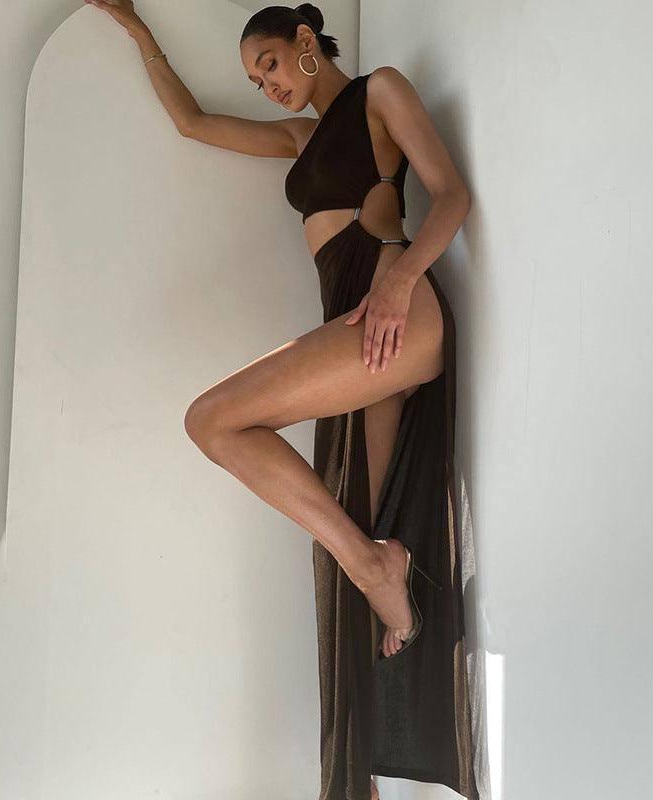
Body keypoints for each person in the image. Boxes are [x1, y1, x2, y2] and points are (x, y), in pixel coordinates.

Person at [83, 3, 479, 799]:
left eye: (268, 64)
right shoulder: (300, 139)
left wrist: (400, 281)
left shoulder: (379, 92)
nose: (266, 86)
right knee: (350, 534)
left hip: (393, 308)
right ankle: (364, 781)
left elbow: (451, 197)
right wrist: (138, 31)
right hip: (355, 328)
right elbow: (194, 124)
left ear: (305, 41)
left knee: (213, 421)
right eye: (255, 80)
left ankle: (378, 567)